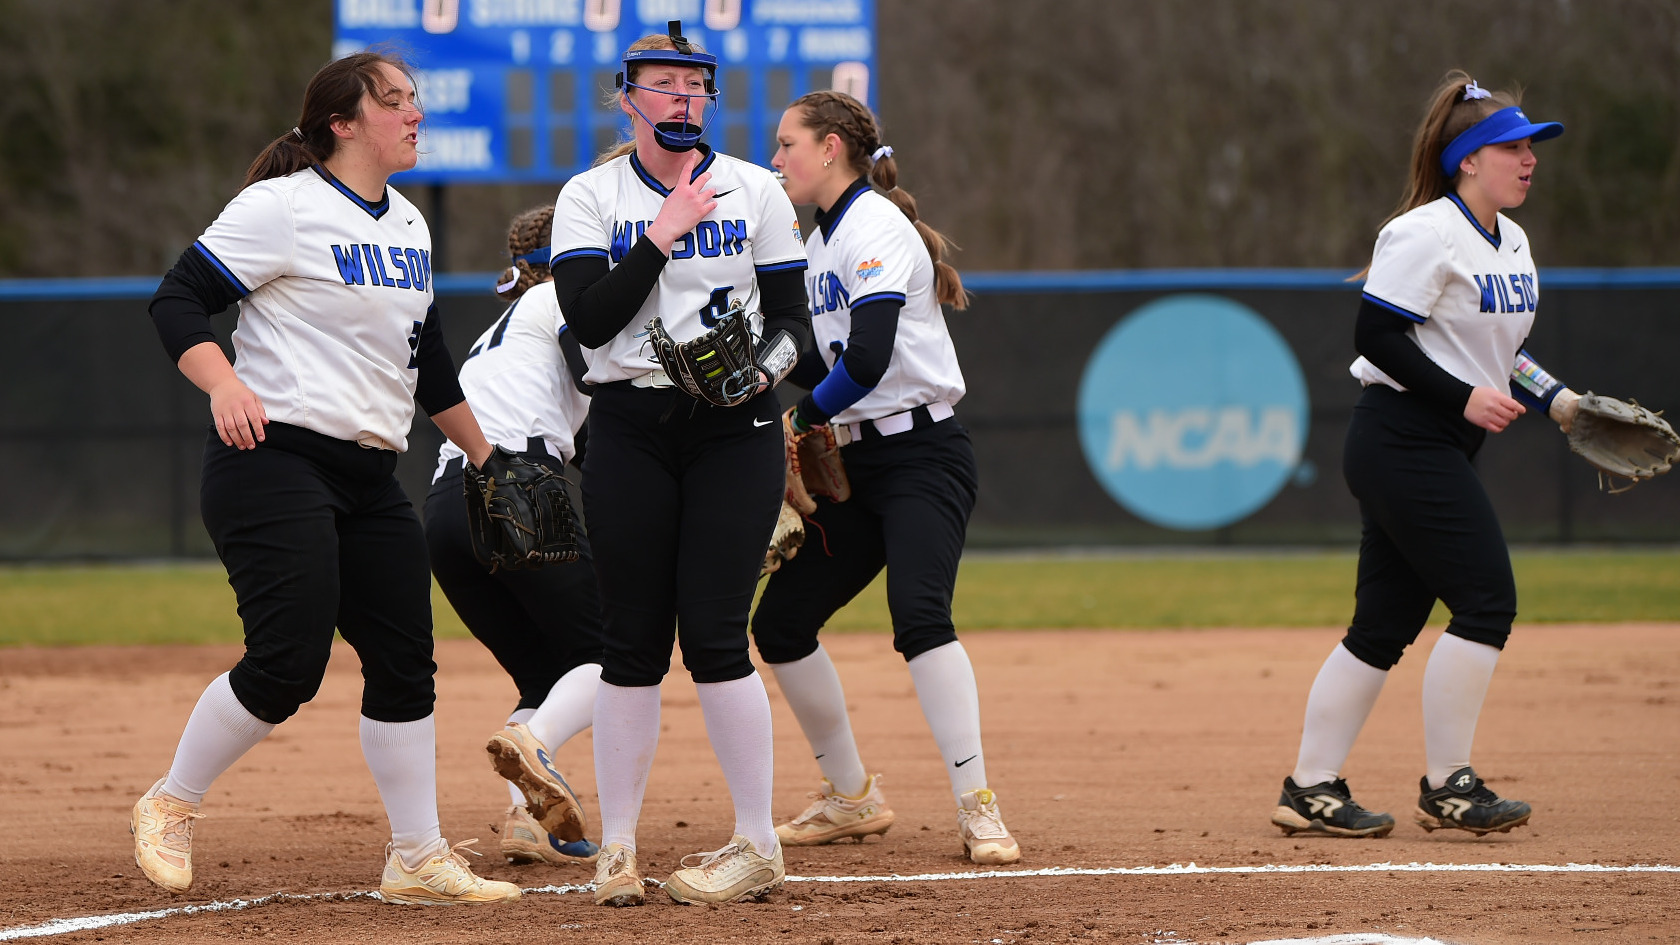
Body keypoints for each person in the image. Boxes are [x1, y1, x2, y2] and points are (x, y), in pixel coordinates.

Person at [136, 50, 521, 905]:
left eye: (416, 100)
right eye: (396, 102)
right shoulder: (283, 207)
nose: (414, 113)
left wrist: (489, 457)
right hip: (273, 458)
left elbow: (428, 365)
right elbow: (177, 298)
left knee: (404, 661)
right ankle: (169, 801)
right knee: (288, 663)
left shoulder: (411, 226)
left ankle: (417, 854)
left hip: (370, 473)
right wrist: (224, 381)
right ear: (343, 124)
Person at [534, 22, 810, 906]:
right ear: (629, 98)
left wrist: (761, 371)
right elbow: (589, 321)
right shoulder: (589, 195)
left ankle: (759, 842)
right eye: (664, 85)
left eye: (697, 86)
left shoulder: (757, 188)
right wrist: (661, 233)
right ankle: (617, 847)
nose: (683, 99)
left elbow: (795, 324)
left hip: (735, 428)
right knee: (631, 641)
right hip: (629, 423)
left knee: (719, 633)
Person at [1271, 71, 1579, 839]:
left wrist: (1561, 400)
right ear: (1468, 160)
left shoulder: (1512, 239)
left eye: (1531, 146)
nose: (1529, 158)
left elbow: (1499, 350)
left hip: (1435, 441)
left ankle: (1310, 789)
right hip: (1401, 438)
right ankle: (1449, 786)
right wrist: (1460, 397)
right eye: (1513, 146)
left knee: (1380, 626)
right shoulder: (1423, 232)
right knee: (1486, 600)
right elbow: (1375, 337)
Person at [757, 90, 1019, 866]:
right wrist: (757, 355)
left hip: (921, 457)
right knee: (780, 624)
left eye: (787, 144)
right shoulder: (816, 242)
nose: (777, 160)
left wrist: (799, 423)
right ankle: (850, 795)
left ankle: (978, 807)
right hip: (857, 465)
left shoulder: (874, 227)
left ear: (831, 147)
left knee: (919, 615)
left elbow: (868, 361)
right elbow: (819, 361)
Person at [421, 205, 604, 869]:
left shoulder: (508, 323)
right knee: (615, 659)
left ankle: (528, 819)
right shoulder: (563, 299)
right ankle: (535, 746)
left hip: (446, 508)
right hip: (519, 485)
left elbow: (593, 448)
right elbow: (597, 379)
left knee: (549, 671)